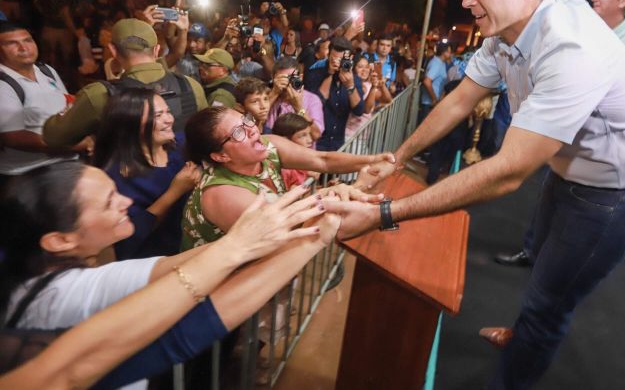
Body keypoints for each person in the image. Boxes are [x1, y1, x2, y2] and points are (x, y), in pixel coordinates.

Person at [327, 0, 625, 387]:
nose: (466, 0)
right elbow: (460, 100)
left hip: (616, 195)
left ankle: (517, 367)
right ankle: (524, 332)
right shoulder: (505, 32)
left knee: (551, 303)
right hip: (569, 175)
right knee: (541, 268)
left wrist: (384, 212)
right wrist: (398, 157)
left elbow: (507, 173)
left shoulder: (572, 50)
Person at [0, 162, 338, 389]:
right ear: (60, 240)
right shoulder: (69, 293)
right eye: (108, 202)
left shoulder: (34, 282)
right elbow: (195, 319)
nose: (127, 200)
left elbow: (177, 268)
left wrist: (300, 223)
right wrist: (248, 243)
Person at [181, 106, 392, 250]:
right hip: (223, 289)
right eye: (238, 133)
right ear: (221, 156)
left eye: (246, 120)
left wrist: (371, 160)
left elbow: (323, 160)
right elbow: (287, 232)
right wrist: (355, 186)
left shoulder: (268, 145)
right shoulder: (222, 193)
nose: (252, 130)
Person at [42, 18, 207, 146]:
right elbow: (206, 135)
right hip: (184, 183)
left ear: (113, 50)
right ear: (157, 50)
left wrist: (70, 108)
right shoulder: (191, 86)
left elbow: (53, 137)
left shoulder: (98, 95)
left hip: (125, 186)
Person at [94, 88, 201, 259]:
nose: (169, 120)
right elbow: (129, 238)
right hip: (159, 260)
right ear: (130, 123)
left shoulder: (181, 145)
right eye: (158, 116)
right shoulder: (115, 178)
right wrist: (175, 192)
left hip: (196, 247)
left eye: (168, 112)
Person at [0, 23, 93, 182]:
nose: (24, 48)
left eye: (28, 40)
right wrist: (73, 143)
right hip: (29, 174)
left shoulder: (45, 70)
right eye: (12, 43)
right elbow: (13, 137)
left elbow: (66, 104)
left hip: (66, 163)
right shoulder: (4, 83)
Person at [304, 37, 365, 152]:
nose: (337, 62)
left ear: (350, 58)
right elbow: (315, 105)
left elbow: (359, 110)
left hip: (338, 144)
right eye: (334, 58)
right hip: (316, 142)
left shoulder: (354, 79)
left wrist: (350, 86)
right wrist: (330, 75)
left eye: (341, 59)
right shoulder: (314, 74)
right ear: (329, 55)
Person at [265, 56, 324, 143]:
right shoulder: (266, 96)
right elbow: (252, 121)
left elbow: (316, 135)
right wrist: (274, 94)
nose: (288, 83)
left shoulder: (312, 100)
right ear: (273, 78)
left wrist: (299, 107)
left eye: (291, 78)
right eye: (283, 78)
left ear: (300, 77)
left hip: (301, 154)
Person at [346, 55, 391, 140]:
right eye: (360, 67)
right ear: (353, 68)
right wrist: (374, 88)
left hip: (364, 136)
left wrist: (381, 83)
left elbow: (387, 100)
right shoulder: (351, 86)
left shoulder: (368, 85)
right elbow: (366, 109)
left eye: (366, 67)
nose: (364, 70)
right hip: (350, 136)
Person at [272, 112, 318, 189]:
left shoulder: (301, 164)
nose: (310, 140)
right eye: (303, 135)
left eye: (309, 134)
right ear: (285, 140)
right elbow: (290, 199)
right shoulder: (284, 171)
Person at [419, 41, 452, 123]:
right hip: (429, 104)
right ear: (444, 52)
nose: (451, 54)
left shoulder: (441, 63)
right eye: (449, 52)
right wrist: (434, 99)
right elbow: (427, 81)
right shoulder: (436, 63)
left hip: (431, 103)